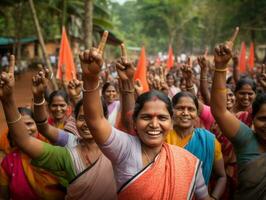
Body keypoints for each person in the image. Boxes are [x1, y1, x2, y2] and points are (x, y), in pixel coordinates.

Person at [80, 31, 210, 199]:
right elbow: (95, 121)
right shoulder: (124, 149)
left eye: (162, 118)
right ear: (134, 122)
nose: (154, 124)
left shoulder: (188, 163)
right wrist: (90, 78)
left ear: (171, 123)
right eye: (146, 117)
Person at [0, 57, 116, 200]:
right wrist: (8, 100)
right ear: (74, 120)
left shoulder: (117, 148)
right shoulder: (69, 150)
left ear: (105, 119)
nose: (87, 123)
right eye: (81, 118)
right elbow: (24, 140)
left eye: (93, 118)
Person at [210, 27, 266, 199]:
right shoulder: (247, 140)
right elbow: (219, 111)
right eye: (263, 119)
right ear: (252, 119)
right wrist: (220, 67)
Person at [166, 91, 226, 200]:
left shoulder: (209, 140)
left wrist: (214, 197)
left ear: (197, 113)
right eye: (180, 108)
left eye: (191, 109)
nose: (185, 113)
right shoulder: (163, 138)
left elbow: (221, 176)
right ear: (172, 111)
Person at [0, 109, 65, 199]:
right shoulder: (9, 162)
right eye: (19, 126)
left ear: (37, 125)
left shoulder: (54, 149)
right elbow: (4, 196)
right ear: (12, 130)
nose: (25, 129)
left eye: (29, 123)